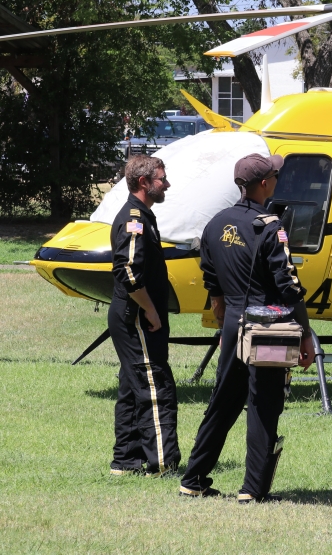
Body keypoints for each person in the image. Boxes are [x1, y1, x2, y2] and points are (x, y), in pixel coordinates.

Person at [179, 153, 315, 503]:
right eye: (275, 174)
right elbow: (289, 287)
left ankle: (193, 478)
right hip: (268, 328)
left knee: (222, 403)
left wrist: (224, 312)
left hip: (233, 327)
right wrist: (307, 336)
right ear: (265, 183)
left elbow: (212, 279)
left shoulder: (215, 223)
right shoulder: (271, 226)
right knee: (263, 405)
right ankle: (252, 490)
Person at [108, 154, 181, 477]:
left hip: (135, 314)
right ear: (143, 182)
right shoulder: (133, 219)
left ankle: (126, 460)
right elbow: (128, 272)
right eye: (161, 179)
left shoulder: (143, 215)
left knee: (132, 385)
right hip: (137, 315)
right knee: (156, 386)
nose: (167, 184)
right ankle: (163, 464)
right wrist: (150, 309)